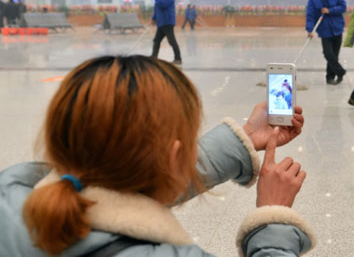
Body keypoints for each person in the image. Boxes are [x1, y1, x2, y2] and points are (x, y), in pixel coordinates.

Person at [0, 55, 315, 256]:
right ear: (174, 155)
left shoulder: (12, 193)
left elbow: (125, 177)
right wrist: (273, 215)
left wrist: (244, 137)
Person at [306, 0, 347, 84]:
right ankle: (340, 71)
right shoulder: (313, 0)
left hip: (337, 29)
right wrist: (310, 30)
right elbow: (310, 16)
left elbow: (343, 7)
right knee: (328, 54)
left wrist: (330, 10)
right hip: (325, 32)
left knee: (334, 55)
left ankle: (330, 77)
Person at [151, 0, 182, 65]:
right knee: (156, 40)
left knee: (172, 41)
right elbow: (157, 8)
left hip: (167, 22)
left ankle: (178, 59)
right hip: (161, 23)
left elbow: (162, 5)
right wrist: (154, 18)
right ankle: (154, 57)